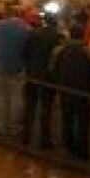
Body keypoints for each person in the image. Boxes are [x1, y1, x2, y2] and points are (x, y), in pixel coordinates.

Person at [22, 9, 65, 149]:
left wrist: (28, 68)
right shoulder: (58, 36)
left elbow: (26, 52)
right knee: (46, 108)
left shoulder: (33, 33)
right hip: (48, 76)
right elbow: (59, 58)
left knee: (30, 105)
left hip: (33, 73)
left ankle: (25, 135)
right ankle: (44, 139)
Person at [52, 24, 90, 160]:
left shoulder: (60, 50)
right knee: (83, 120)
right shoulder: (88, 52)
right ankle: (82, 150)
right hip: (83, 91)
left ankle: (68, 146)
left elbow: (53, 69)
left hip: (65, 89)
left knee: (67, 118)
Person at [0, 8, 32, 136]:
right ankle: (14, 127)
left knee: (0, 97)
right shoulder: (26, 28)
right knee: (17, 97)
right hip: (18, 66)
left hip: (0, 65)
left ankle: (1, 125)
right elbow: (28, 48)